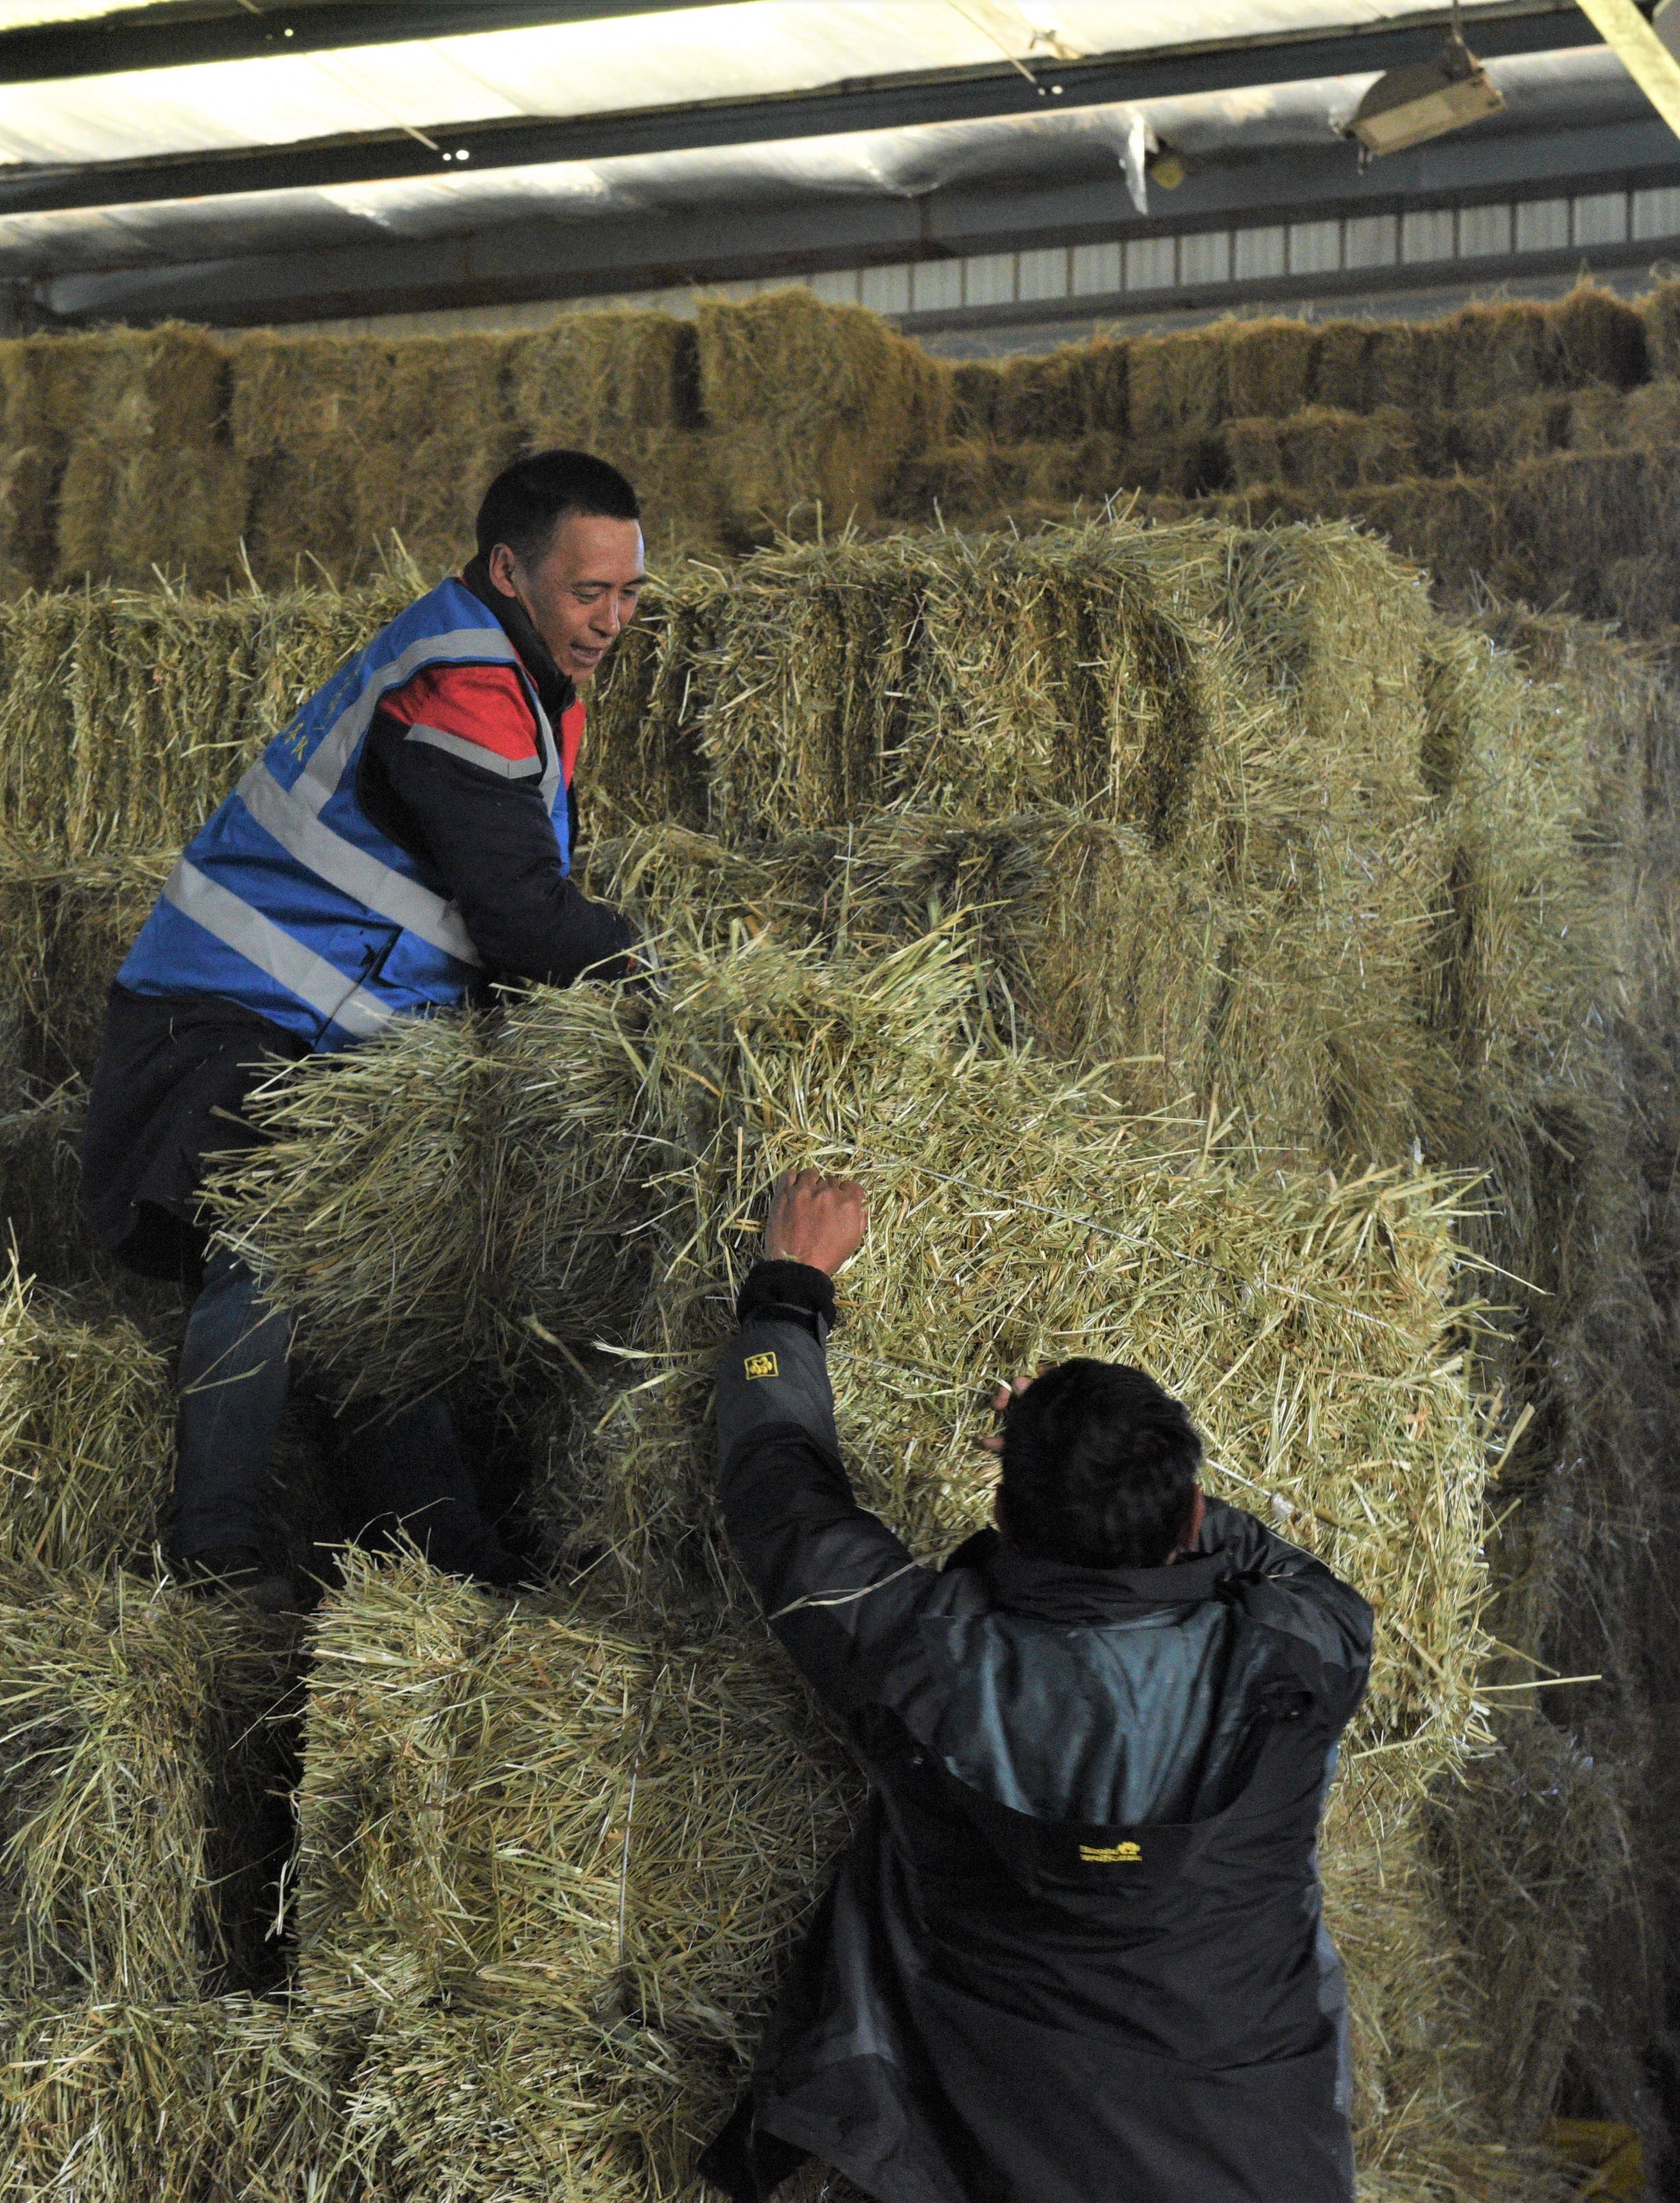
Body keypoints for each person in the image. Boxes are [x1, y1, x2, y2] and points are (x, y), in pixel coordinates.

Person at [704, 1168, 1374, 2203]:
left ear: (1006, 1523)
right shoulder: (1301, 1660)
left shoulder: (925, 1664)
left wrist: (788, 1295)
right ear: (1194, 1520)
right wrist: (1126, 1476)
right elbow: (1286, 1570)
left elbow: (780, 1496)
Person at [79, 448, 648, 1609]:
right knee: (274, 1251)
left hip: (323, 1021)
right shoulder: (466, 680)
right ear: (509, 569)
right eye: (589, 591)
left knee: (384, 1287)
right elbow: (521, 917)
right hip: (232, 1008)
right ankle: (218, 1560)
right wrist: (670, 983)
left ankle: (450, 1557)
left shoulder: (526, 680)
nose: (613, 619)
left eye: (631, 592)